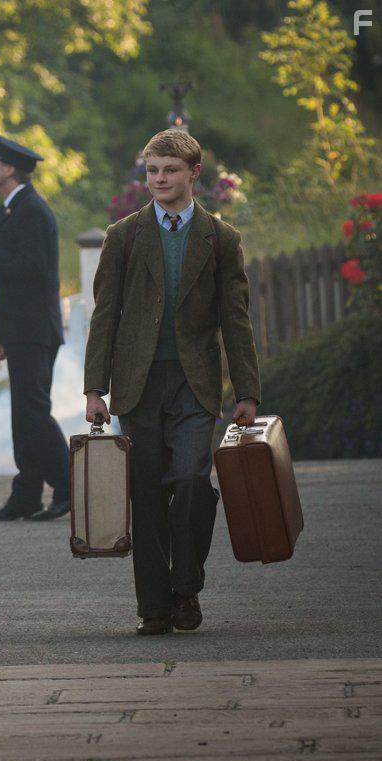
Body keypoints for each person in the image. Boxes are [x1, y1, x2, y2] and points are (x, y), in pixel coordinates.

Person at [83, 128, 260, 636]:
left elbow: (236, 320)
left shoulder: (221, 239)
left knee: (189, 481)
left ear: (194, 173)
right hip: (137, 385)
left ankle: (186, 587)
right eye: (152, 171)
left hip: (195, 383)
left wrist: (247, 392)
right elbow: (105, 316)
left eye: (170, 171)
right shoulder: (124, 236)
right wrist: (95, 389)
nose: (159, 179)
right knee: (146, 491)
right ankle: (155, 607)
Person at [0, 133, 71, 523]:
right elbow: (6, 285)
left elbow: (37, 272)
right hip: (19, 329)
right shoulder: (9, 210)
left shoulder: (33, 210)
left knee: (34, 412)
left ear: (9, 167)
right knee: (23, 414)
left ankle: (66, 488)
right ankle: (27, 494)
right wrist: (0, 333)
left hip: (35, 329)